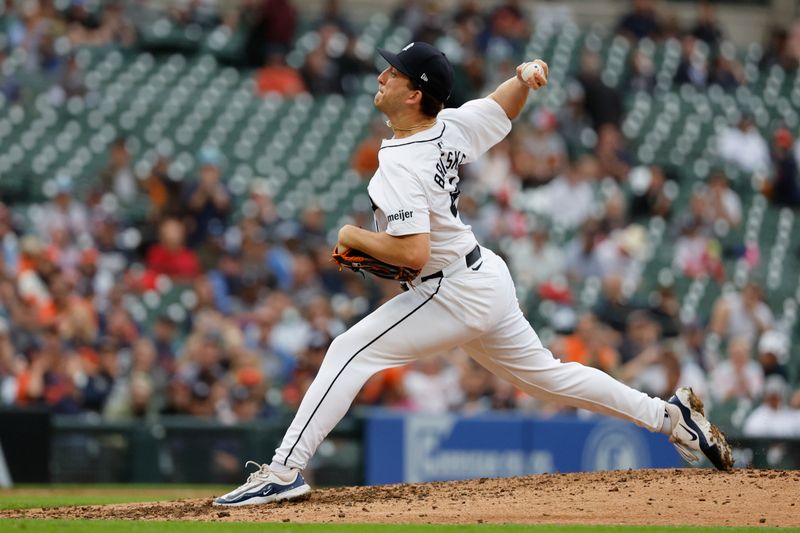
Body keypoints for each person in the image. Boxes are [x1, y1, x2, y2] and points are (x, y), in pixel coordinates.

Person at [214, 42, 732, 507]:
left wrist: (353, 235)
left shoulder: (400, 161)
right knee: (551, 379)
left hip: (451, 287)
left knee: (349, 350)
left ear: (415, 93)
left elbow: (412, 254)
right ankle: (671, 419)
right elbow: (502, 107)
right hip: (481, 277)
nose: (380, 78)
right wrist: (524, 77)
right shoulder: (448, 126)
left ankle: (283, 470)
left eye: (391, 73)